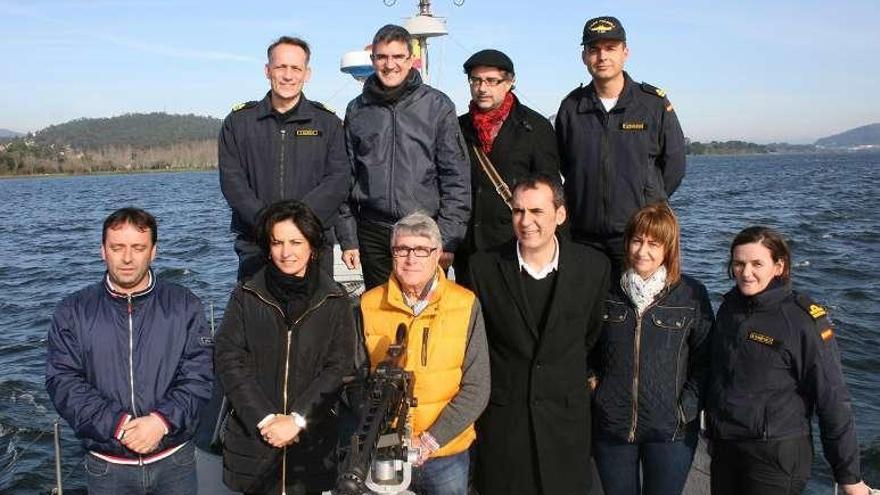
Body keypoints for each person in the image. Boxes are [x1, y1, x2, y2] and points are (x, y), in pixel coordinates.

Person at [46, 207, 213, 494]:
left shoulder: (185, 305)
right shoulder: (72, 311)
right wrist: (118, 425)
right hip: (108, 466)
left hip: (174, 461)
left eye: (138, 247)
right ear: (102, 250)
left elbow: (200, 374)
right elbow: (63, 381)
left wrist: (161, 422)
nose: (126, 258)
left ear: (153, 251)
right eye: (117, 247)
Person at [467, 174, 610, 495]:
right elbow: (480, 343)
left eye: (536, 212)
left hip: (565, 421)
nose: (526, 221)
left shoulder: (593, 268)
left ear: (560, 215)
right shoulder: (482, 268)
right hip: (505, 420)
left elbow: (590, 335)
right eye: (518, 211)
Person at [706, 226, 873, 495]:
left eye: (757, 263)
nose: (746, 273)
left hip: (775, 455)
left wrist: (848, 475)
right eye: (739, 263)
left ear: (779, 266)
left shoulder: (802, 321)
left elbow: (832, 399)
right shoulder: (729, 308)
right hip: (726, 447)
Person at [214, 200, 357, 495]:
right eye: (277, 242)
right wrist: (266, 419)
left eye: (295, 242)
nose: (286, 252)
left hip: (311, 444)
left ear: (312, 246)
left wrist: (297, 419)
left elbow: (339, 366)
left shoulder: (334, 299)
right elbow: (229, 360)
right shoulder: (246, 295)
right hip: (255, 441)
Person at [360, 212, 489, 495]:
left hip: (445, 454)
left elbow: (477, 386)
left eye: (421, 250)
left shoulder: (465, 304)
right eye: (402, 249)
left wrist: (430, 440)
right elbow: (355, 380)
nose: (411, 259)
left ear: (438, 254)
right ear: (392, 253)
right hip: (384, 450)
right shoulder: (367, 305)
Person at [590, 202, 713, 495]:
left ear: (668, 249)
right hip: (613, 427)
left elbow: (707, 360)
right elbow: (584, 343)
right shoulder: (605, 290)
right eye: (637, 240)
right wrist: (594, 385)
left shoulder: (691, 295)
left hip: (671, 432)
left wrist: (685, 410)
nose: (642, 251)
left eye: (653, 243)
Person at [337, 24, 471, 291]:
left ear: (411, 59)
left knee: (423, 313)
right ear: (373, 59)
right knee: (380, 312)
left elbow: (456, 178)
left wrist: (445, 238)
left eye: (398, 57)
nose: (390, 65)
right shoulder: (357, 110)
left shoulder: (437, 106)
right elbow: (345, 178)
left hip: (422, 229)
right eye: (382, 57)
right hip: (373, 232)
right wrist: (349, 238)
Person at [555, 16, 686, 268]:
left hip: (638, 237)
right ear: (584, 57)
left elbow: (674, 165)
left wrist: (646, 201)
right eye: (594, 49)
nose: (602, 56)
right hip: (583, 236)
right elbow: (563, 163)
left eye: (610, 48)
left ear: (625, 52)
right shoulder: (571, 107)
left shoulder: (652, 104)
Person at [219, 36, 350, 281]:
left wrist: (298, 224)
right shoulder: (238, 123)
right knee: (258, 317)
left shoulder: (328, 124)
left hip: (312, 242)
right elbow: (232, 181)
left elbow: (338, 180)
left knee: (315, 317)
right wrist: (268, 223)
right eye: (281, 67)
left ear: (307, 73)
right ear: (268, 70)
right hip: (256, 243)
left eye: (296, 68)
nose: (288, 75)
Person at [454, 49, 560, 288]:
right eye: (476, 80)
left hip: (516, 244)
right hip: (468, 247)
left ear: (510, 83)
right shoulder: (457, 127)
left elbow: (550, 190)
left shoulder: (535, 127)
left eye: (492, 81)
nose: (482, 88)